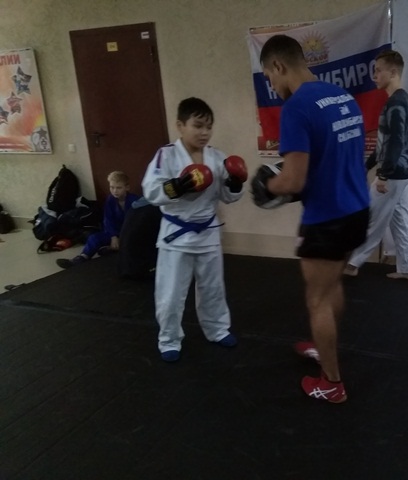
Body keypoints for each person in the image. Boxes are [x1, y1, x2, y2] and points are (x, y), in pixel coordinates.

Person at [251, 35, 370, 403]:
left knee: (317, 300)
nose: (272, 86)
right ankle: (324, 346)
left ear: (278, 65)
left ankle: (332, 383)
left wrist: (266, 185)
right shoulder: (342, 97)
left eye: (269, 77)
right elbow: (340, 157)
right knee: (332, 287)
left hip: (327, 219)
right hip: (357, 210)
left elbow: (293, 181)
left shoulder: (297, 108)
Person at [141, 97, 247, 363]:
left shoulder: (217, 157)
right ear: (180, 125)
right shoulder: (166, 155)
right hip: (176, 236)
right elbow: (151, 190)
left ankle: (217, 329)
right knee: (170, 294)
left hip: (208, 232)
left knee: (213, 288)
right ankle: (169, 339)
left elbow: (227, 196)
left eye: (209, 127)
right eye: (198, 126)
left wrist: (235, 184)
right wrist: (176, 186)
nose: (204, 132)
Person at [343, 50, 408, 281]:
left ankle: (352, 264)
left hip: (393, 174)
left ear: (393, 72)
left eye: (378, 71)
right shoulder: (399, 101)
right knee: (401, 220)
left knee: (370, 219)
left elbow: (395, 142)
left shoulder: (396, 103)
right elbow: (385, 143)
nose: (374, 76)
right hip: (401, 172)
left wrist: (383, 175)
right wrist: (366, 166)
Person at [56, 171, 139, 268]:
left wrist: (123, 237)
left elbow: (136, 223)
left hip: (130, 233)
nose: (115, 191)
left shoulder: (135, 200)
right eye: (112, 187)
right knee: (94, 238)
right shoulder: (110, 199)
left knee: (135, 243)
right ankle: (82, 257)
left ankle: (115, 249)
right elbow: (108, 219)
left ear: (127, 187)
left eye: (119, 188)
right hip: (114, 232)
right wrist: (113, 236)